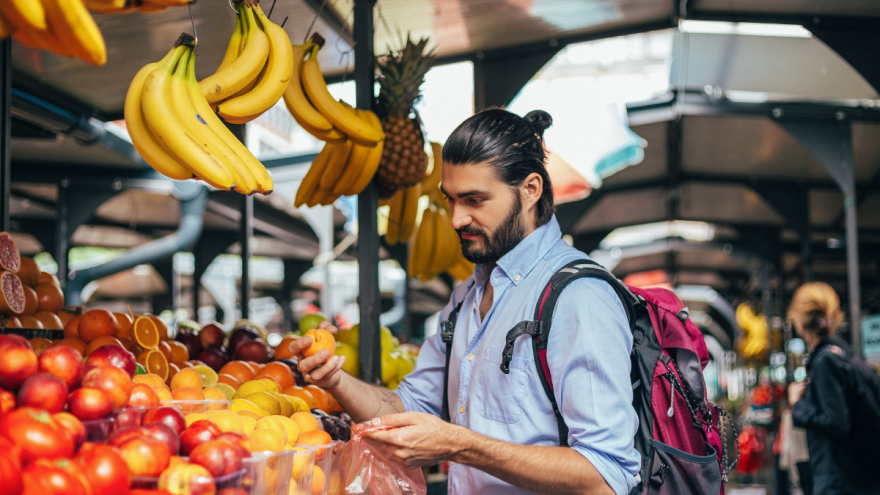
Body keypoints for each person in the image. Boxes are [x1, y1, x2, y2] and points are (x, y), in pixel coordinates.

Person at [290, 108, 641, 495]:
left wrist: (462, 445)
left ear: (531, 189)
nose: (457, 218)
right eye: (451, 199)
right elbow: (405, 408)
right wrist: (335, 379)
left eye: (474, 199)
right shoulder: (465, 299)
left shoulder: (579, 297)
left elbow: (606, 475)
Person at [787, 282, 880, 495]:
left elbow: (837, 423)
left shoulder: (825, 362)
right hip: (861, 477)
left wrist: (798, 406)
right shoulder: (846, 356)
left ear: (800, 322)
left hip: (841, 481)